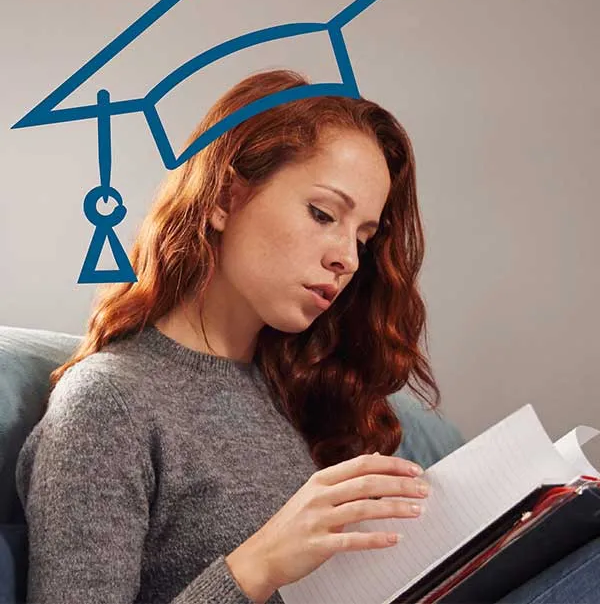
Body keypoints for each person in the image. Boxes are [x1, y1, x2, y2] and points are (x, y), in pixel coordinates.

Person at [14, 69, 599, 604]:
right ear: (223, 198)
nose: (346, 258)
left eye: (363, 238)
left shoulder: (294, 390)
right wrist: (257, 565)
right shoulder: (108, 402)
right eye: (323, 214)